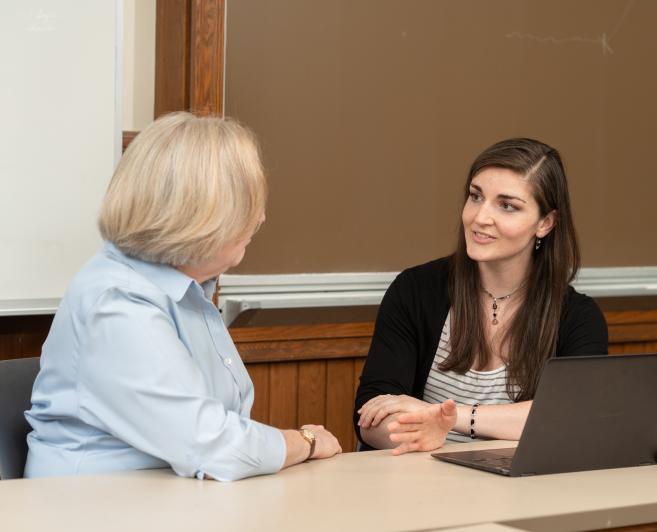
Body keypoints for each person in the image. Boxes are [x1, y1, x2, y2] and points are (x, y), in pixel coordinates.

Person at [24, 112, 341, 480]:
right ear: (201, 214)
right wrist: (306, 441)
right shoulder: (116, 303)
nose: (261, 218)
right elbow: (212, 445)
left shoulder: (184, 288)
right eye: (248, 204)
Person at [354, 138, 608, 454]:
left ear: (545, 223)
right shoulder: (416, 290)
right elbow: (371, 415)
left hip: (523, 494)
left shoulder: (578, 317)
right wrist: (425, 439)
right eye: (476, 197)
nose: (480, 217)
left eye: (507, 205)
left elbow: (572, 416)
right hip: (419, 483)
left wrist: (449, 419)